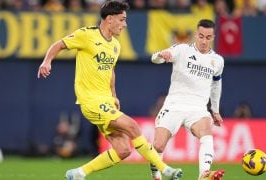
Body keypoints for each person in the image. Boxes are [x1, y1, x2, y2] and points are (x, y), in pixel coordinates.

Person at [37, 1, 183, 180]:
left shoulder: (115, 45)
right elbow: (58, 44)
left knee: (123, 150)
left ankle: (78, 173)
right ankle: (164, 170)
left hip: (106, 101)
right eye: (122, 20)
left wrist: (114, 95)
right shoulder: (87, 35)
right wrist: (47, 61)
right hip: (91, 101)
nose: (125, 24)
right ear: (110, 19)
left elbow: (110, 71)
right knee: (133, 126)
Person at [150, 19, 225, 180]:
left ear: (213, 37)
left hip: (198, 108)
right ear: (196, 34)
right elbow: (154, 59)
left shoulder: (217, 61)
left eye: (208, 37)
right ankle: (156, 175)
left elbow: (216, 86)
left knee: (206, 133)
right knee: (158, 145)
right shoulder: (182, 50)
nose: (204, 41)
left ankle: (204, 174)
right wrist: (162, 55)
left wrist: (215, 110)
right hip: (175, 105)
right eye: (201, 36)